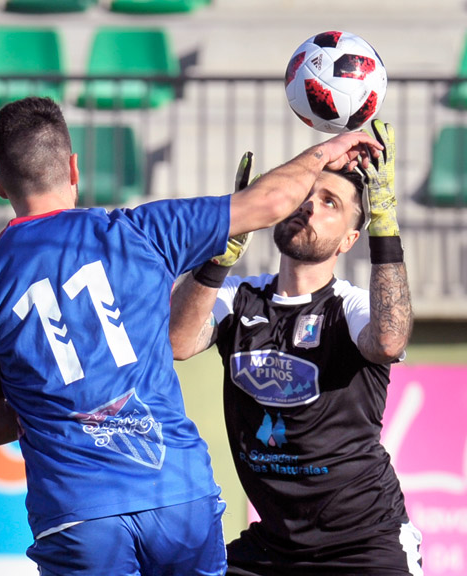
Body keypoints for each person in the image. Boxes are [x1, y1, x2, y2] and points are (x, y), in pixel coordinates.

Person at [0, 96, 382, 576]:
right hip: (179, 497)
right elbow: (270, 203)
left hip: (78, 515)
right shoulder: (138, 231)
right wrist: (326, 151)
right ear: (73, 168)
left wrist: (47, 407)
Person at [168, 119, 421, 575]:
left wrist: (384, 217)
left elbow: (389, 339)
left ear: (349, 239)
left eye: (330, 203)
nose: (310, 205)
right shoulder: (239, 296)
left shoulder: (350, 307)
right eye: (305, 193)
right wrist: (220, 246)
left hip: (365, 543)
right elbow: (176, 342)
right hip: (274, 546)